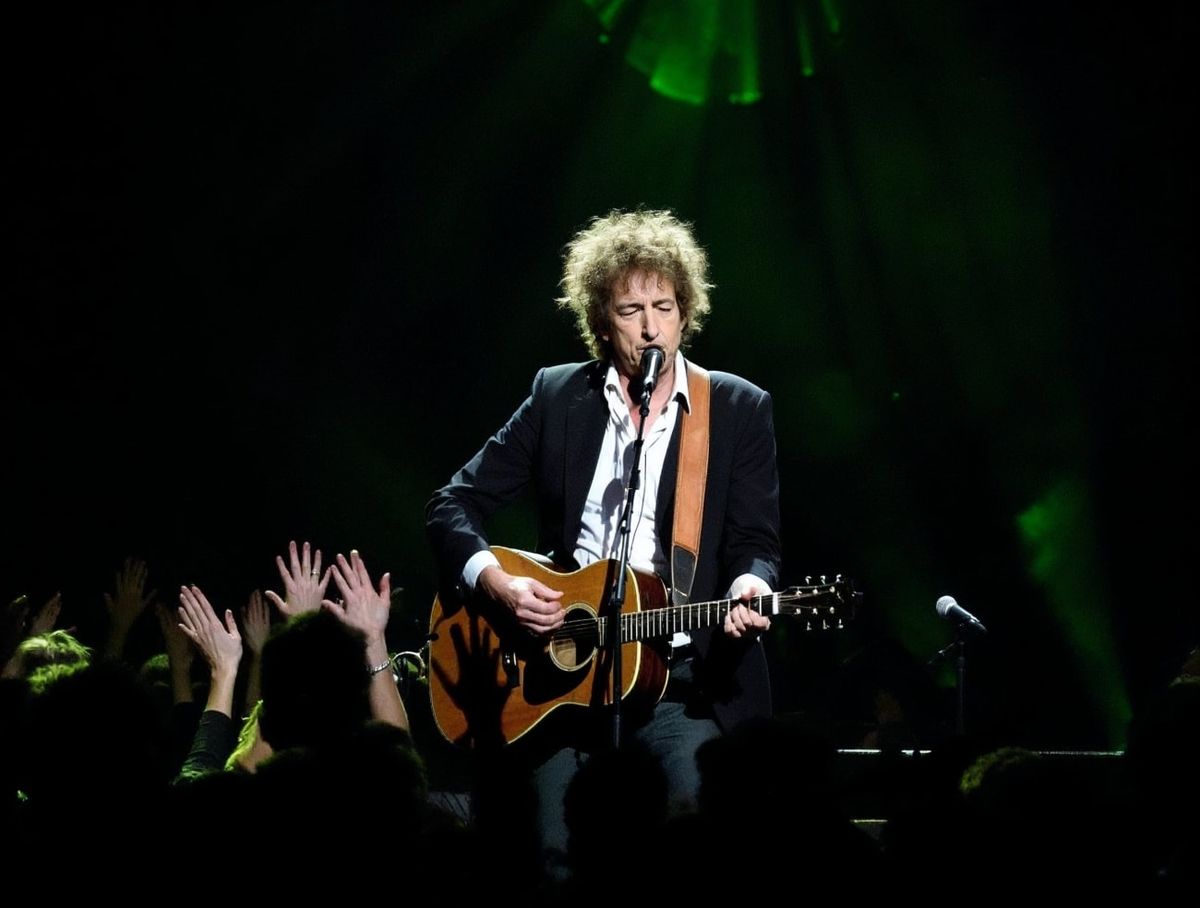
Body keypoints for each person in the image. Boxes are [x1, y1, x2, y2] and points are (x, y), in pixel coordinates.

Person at [426, 208, 782, 872]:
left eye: (664, 307)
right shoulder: (558, 395)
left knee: (697, 850)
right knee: (556, 859)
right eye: (630, 310)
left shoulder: (736, 407)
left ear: (685, 313)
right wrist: (495, 582)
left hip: (679, 680)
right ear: (600, 319)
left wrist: (749, 584)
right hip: (560, 680)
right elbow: (453, 503)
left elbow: (756, 542)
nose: (650, 327)